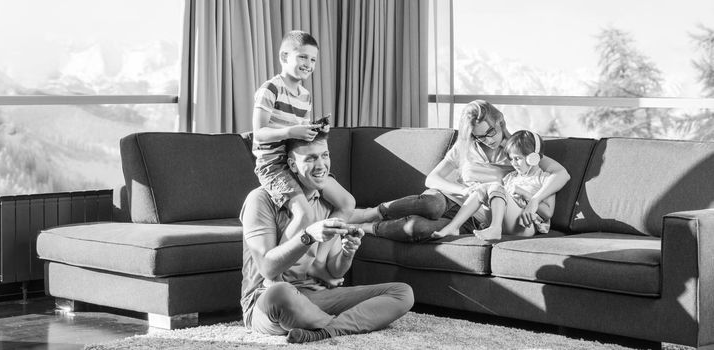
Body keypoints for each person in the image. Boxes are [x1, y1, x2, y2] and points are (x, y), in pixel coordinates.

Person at [240, 131, 414, 344]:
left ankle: (322, 331)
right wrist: (307, 236)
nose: (321, 165)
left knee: (402, 293)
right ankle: (343, 325)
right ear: (292, 165)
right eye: (311, 158)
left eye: (325, 155)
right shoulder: (260, 199)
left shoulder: (326, 203)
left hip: (313, 295)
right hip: (265, 300)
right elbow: (267, 268)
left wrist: (347, 254)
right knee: (281, 293)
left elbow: (333, 271)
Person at [355, 100, 570, 242]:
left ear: (500, 121)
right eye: (479, 136)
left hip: (474, 217)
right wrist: (463, 191)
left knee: (417, 228)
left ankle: (366, 228)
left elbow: (560, 174)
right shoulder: (465, 147)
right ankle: (372, 212)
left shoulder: (517, 152)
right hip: (451, 198)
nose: (488, 140)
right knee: (431, 203)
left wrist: (534, 200)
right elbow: (432, 179)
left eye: (490, 132)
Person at [251, 30, 355, 266]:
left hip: (297, 161)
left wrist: (316, 131)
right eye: (303, 58)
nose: (308, 64)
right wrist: (290, 132)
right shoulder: (271, 89)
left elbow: (302, 139)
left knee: (347, 203)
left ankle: (318, 264)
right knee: (305, 213)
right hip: (273, 165)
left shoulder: (305, 95)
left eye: (313, 60)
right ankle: (276, 268)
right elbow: (258, 133)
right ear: (284, 56)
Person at [431, 130, 554, 240]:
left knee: (494, 185)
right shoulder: (510, 177)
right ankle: (454, 227)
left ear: (533, 158)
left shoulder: (545, 178)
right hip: (507, 223)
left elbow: (548, 213)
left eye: (517, 159)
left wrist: (524, 194)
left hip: (527, 226)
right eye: (511, 159)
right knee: (482, 188)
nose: (513, 163)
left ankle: (495, 229)